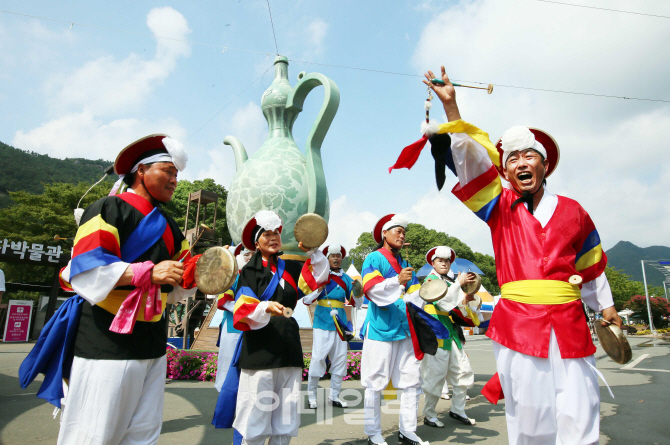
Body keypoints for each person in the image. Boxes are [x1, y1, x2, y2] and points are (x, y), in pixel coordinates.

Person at [424, 67, 621, 444]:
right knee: (529, 421)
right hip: (517, 325)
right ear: (507, 173)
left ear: (545, 165)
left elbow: (591, 268)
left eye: (529, 156)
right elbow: (469, 162)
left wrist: (606, 307)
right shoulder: (498, 205)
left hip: (570, 323)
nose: (520, 163)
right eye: (511, 160)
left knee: (580, 412)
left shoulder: (574, 211)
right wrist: (452, 106)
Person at [55, 134, 198, 444]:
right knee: (94, 434)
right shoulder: (107, 209)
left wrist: (203, 272)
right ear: (140, 171)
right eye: (167, 171)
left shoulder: (171, 227)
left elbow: (178, 283)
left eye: (177, 174)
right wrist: (148, 271)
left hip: (152, 345)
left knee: (143, 436)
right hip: (106, 342)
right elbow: (86, 269)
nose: (174, 180)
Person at [230, 210, 329, 445]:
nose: (273, 238)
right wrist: (265, 307)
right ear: (256, 242)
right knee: (257, 412)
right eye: (267, 234)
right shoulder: (249, 272)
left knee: (286, 414)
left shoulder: (291, 269)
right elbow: (243, 308)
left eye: (276, 233)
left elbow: (318, 279)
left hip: (288, 344)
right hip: (261, 349)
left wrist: (313, 251)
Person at [360, 214, 427, 445]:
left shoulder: (407, 264)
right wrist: (397, 281)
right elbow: (371, 289)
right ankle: (373, 433)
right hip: (380, 327)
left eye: (403, 232)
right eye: (397, 230)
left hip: (404, 328)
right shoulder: (373, 258)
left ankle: (408, 430)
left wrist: (429, 291)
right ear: (384, 234)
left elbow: (416, 296)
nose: (401, 235)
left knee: (411, 380)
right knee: (375, 381)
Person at [421, 246, 479, 428]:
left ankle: (458, 410)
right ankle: (429, 415)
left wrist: (464, 301)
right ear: (433, 263)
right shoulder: (430, 280)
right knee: (435, 375)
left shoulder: (450, 282)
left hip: (451, 333)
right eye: (440, 260)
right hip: (435, 332)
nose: (444, 263)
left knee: (463, 371)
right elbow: (443, 304)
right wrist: (458, 284)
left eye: (447, 261)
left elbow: (455, 310)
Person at [303, 244, 364, 409]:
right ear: (327, 258)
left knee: (340, 359)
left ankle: (335, 396)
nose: (336, 259)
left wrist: (358, 291)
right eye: (332, 256)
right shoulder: (320, 275)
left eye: (338, 256)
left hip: (341, 325)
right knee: (317, 358)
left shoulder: (346, 278)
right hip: (322, 322)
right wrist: (319, 289)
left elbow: (357, 303)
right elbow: (306, 300)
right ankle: (312, 396)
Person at [214, 245, 252, 392]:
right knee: (227, 361)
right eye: (246, 254)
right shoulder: (233, 276)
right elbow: (224, 301)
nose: (249, 258)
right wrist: (248, 311)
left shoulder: (257, 276)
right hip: (233, 327)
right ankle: (224, 393)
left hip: (251, 327)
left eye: (253, 254)